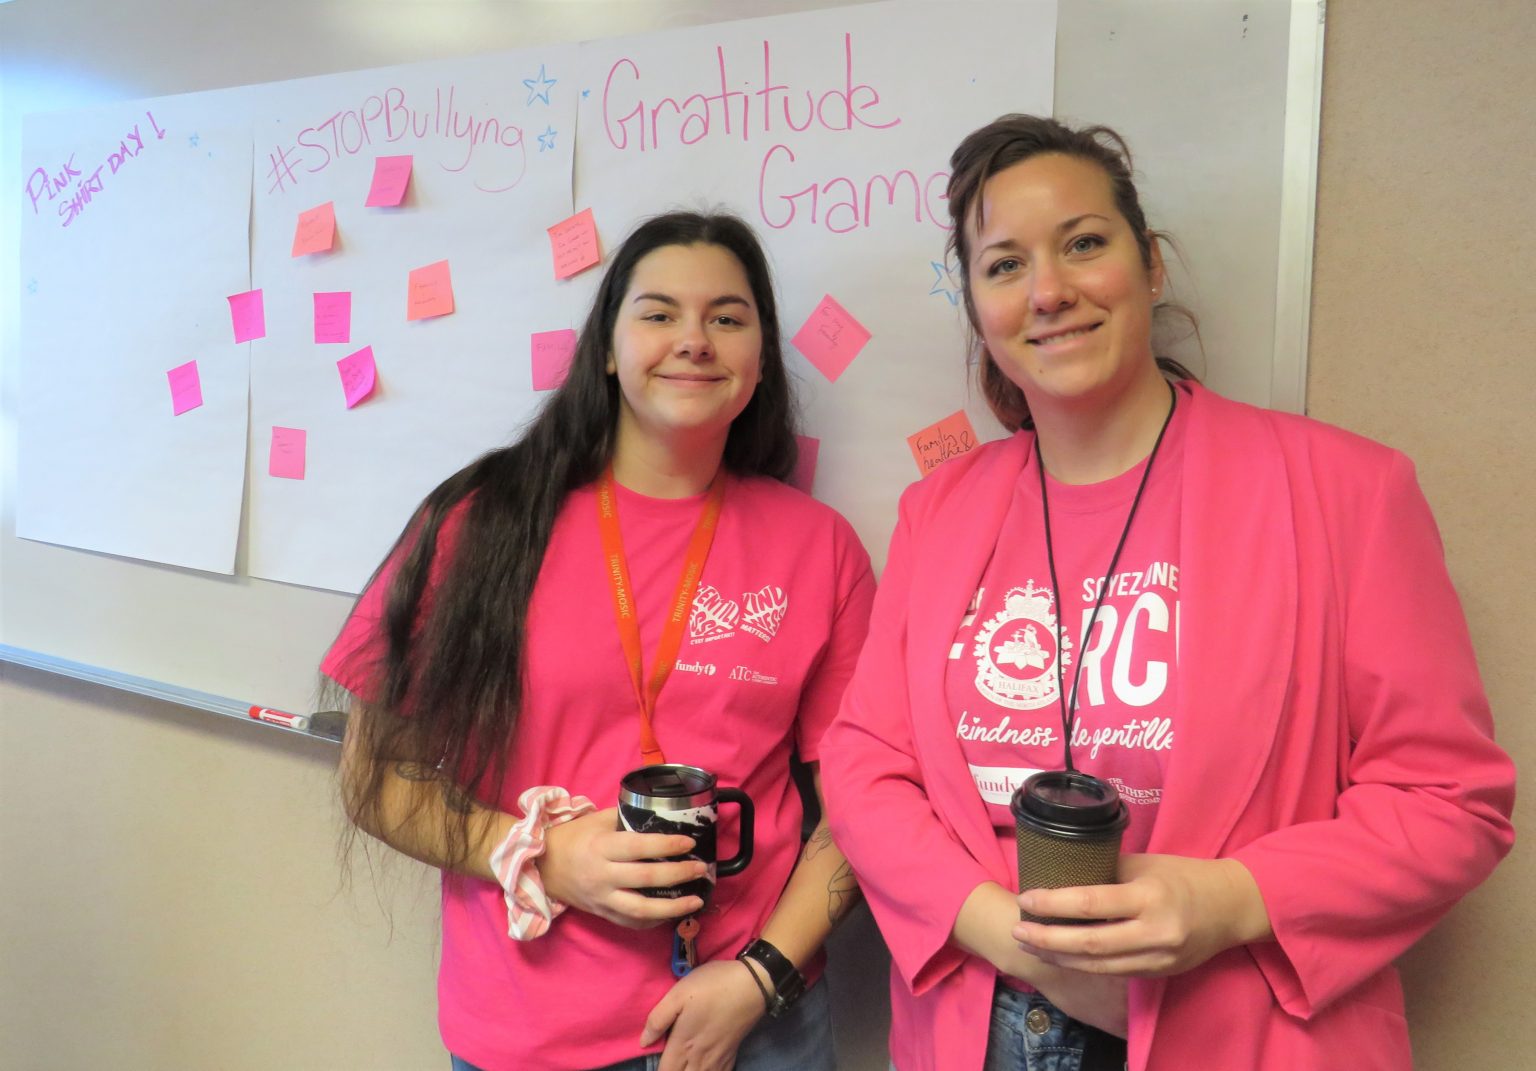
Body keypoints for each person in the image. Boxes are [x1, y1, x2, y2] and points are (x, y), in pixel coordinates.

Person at [819, 115, 1516, 1071]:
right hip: (975, 1031)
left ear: (1148, 265)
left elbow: (1449, 803)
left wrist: (1231, 900)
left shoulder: (1347, 492)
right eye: (1004, 264)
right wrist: (990, 924)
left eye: (1084, 244)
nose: (1050, 291)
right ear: (978, 304)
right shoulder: (941, 508)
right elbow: (864, 766)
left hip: (1244, 1033)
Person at [323, 211, 874, 1071]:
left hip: (757, 1027)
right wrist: (546, 854)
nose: (693, 339)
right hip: (532, 1033)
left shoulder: (824, 547)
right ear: (609, 350)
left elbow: (856, 807)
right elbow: (373, 777)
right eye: (658, 314)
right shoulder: (483, 520)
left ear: (759, 359)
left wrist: (757, 978)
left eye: (727, 318)